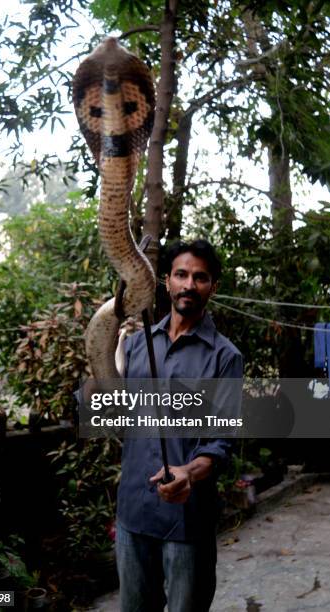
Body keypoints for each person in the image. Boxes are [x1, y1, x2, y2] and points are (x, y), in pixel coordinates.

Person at [115, 239, 243, 612]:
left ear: (213, 287)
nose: (189, 284)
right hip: (133, 515)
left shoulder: (225, 357)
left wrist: (188, 470)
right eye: (181, 274)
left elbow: (221, 441)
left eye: (200, 277)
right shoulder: (137, 345)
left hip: (186, 523)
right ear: (167, 282)